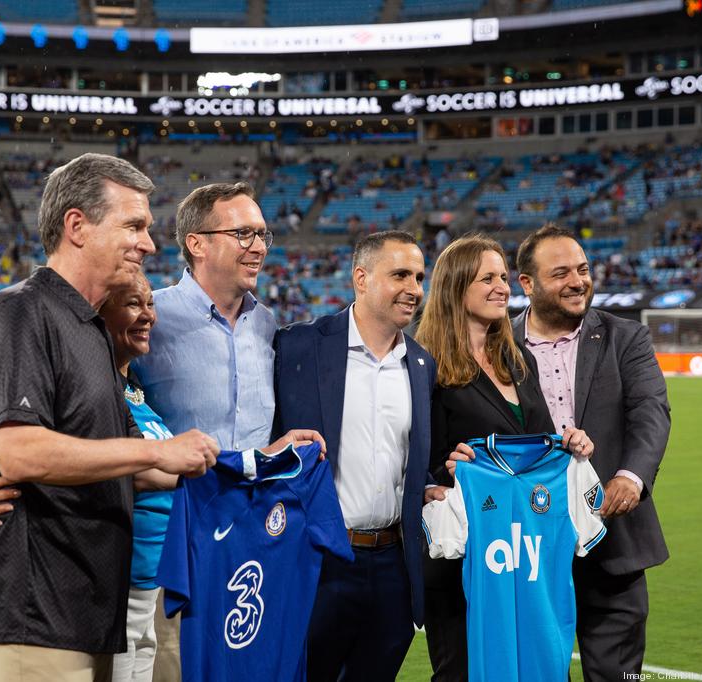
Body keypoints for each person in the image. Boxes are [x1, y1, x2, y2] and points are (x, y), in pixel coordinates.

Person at [0, 153, 219, 682]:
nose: (148, 242)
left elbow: (136, 469)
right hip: (33, 615)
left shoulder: (92, 332)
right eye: (134, 225)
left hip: (87, 610)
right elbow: (19, 451)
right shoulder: (22, 311)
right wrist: (157, 449)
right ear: (77, 226)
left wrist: (254, 464)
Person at [414, 234, 594, 681]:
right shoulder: (425, 367)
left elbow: (536, 445)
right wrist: (439, 475)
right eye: (487, 278)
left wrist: (568, 444)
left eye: (503, 277)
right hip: (464, 558)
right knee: (464, 670)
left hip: (527, 554)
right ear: (456, 288)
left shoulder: (518, 360)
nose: (502, 287)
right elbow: (410, 458)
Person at [272, 230, 444, 682]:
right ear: (361, 279)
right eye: (401, 275)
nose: (414, 288)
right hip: (319, 560)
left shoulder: (422, 366)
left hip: (393, 566)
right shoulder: (298, 347)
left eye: (419, 277)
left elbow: (411, 460)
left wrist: (432, 482)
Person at [512, 224, 671, 682]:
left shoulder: (626, 338)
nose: (577, 281)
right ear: (528, 283)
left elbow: (651, 412)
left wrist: (630, 476)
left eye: (582, 269)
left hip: (614, 539)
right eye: (560, 272)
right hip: (529, 546)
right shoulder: (497, 346)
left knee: (617, 674)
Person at [133, 181, 277, 454]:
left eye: (261, 235)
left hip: (256, 495)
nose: (259, 247)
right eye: (243, 233)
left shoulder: (265, 323)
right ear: (197, 244)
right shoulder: (149, 317)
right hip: (180, 493)